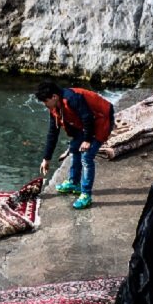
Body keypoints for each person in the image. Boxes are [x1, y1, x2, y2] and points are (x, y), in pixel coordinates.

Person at [35, 81, 114, 209]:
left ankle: (86, 195)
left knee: (87, 157)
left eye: (45, 101)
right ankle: (74, 183)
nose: (45, 105)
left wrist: (88, 140)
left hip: (101, 118)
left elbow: (87, 117)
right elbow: (52, 133)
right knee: (75, 148)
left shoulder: (72, 98)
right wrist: (46, 158)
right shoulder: (54, 107)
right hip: (86, 123)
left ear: (54, 97)